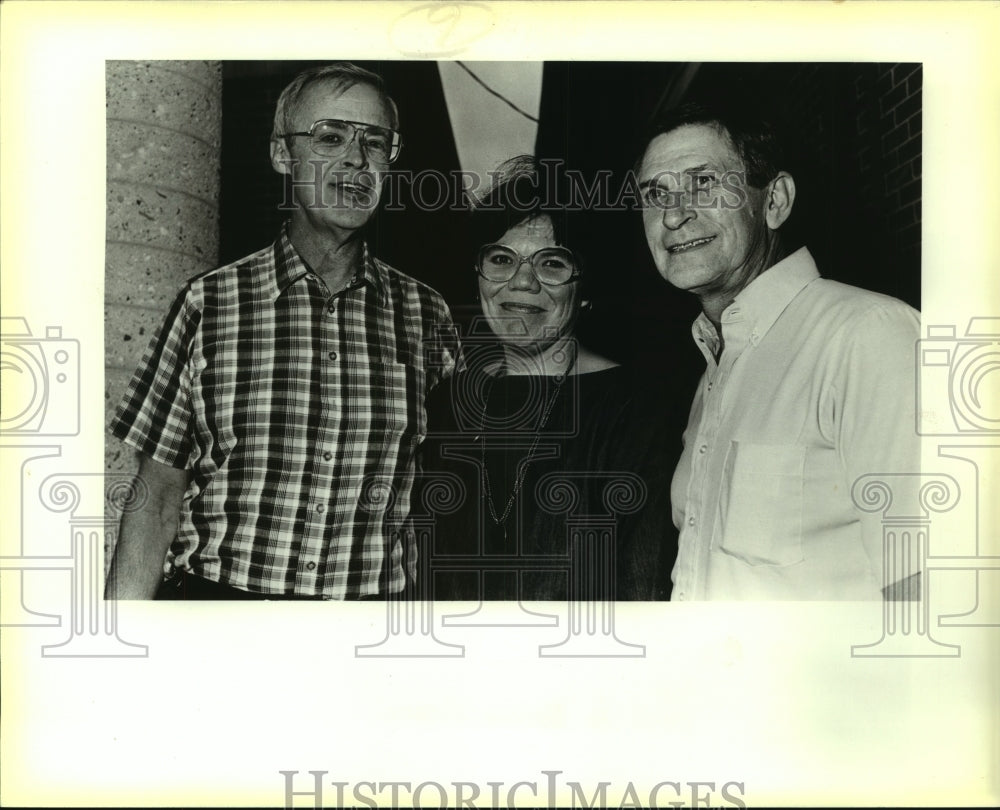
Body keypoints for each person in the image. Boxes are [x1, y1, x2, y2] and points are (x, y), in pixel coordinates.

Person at [106, 63, 459, 600]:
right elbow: (156, 493)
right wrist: (116, 647)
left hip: (364, 634)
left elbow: (453, 491)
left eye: (376, 142)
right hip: (220, 616)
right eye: (330, 136)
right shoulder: (209, 303)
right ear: (281, 154)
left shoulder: (427, 316)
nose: (356, 160)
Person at [635, 101, 921, 600]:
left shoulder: (869, 336)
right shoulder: (711, 368)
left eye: (703, 183)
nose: (674, 215)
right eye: (655, 192)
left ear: (775, 201)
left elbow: (927, 592)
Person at [418, 156, 678, 602]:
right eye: (501, 259)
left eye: (552, 264)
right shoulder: (443, 405)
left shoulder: (636, 410)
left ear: (587, 289)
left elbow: (643, 588)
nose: (521, 283)